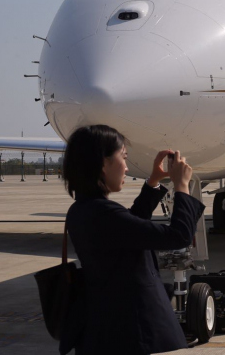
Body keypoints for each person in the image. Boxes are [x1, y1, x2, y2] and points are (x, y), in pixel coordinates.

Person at [59, 125, 205, 355]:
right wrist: (182, 187)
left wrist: (153, 182)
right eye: (124, 157)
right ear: (103, 163)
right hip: (129, 334)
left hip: (106, 329)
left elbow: (130, 229)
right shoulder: (105, 214)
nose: (127, 168)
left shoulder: (83, 210)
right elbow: (179, 236)